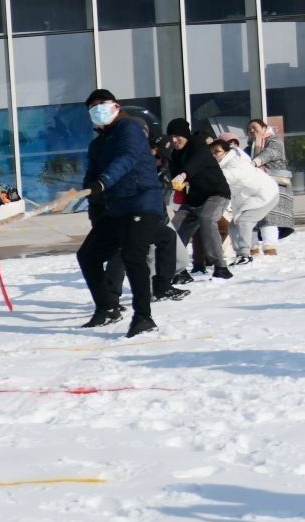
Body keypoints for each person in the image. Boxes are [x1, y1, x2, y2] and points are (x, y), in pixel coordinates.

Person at [59, 90, 170, 338]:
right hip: (117, 209)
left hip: (142, 201)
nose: (97, 109)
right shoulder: (98, 144)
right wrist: (76, 195)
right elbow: (92, 181)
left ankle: (143, 317)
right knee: (88, 255)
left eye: (102, 104)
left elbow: (127, 158)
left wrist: (103, 181)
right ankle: (107, 307)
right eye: (92, 107)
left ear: (116, 106)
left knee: (133, 256)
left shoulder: (128, 128)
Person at [165, 119, 230, 279]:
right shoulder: (175, 154)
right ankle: (178, 270)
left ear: (185, 135)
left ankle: (220, 266)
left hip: (216, 193)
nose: (174, 140)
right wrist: (175, 182)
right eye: (171, 137)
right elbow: (175, 177)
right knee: (173, 230)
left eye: (177, 136)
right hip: (194, 198)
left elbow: (197, 162)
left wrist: (184, 174)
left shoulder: (198, 145)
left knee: (207, 218)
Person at [211, 137, 277, 271]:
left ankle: (245, 254)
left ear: (226, 152)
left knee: (243, 222)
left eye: (217, 152)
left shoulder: (237, 163)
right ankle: (240, 254)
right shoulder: (224, 164)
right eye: (211, 152)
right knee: (234, 226)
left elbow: (226, 177)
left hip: (266, 195)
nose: (213, 155)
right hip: (249, 198)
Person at [246, 118, 295, 253]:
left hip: (274, 184)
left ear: (263, 127)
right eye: (249, 129)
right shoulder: (249, 147)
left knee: (269, 217)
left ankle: (270, 248)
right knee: (252, 217)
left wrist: (255, 162)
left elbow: (271, 153)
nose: (251, 130)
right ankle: (252, 247)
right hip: (255, 187)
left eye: (254, 127)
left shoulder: (274, 140)